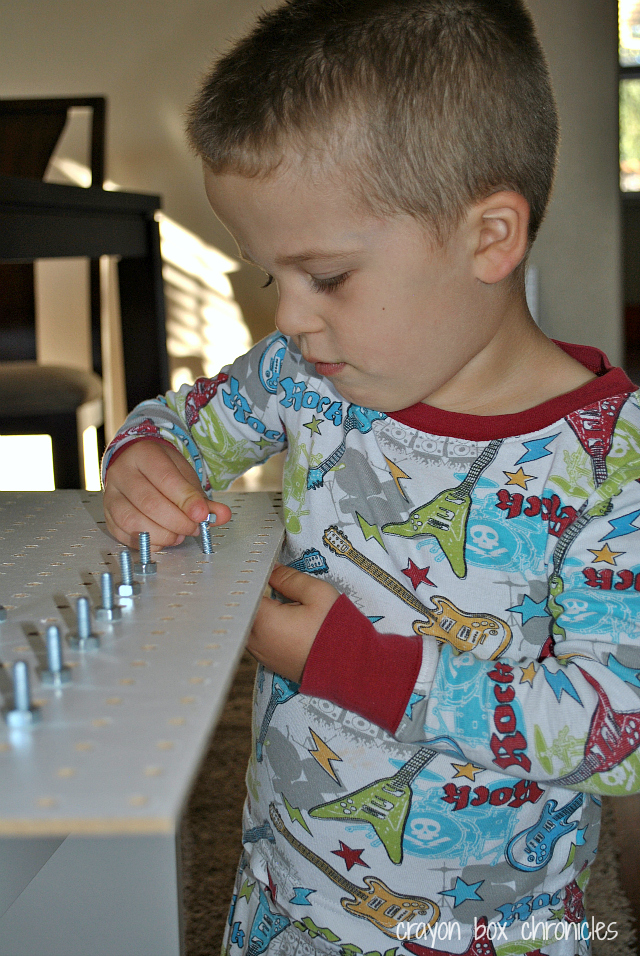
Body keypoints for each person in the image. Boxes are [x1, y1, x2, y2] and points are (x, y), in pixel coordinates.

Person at [102, 1, 640, 953]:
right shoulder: (302, 377)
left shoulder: (608, 465)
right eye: (273, 276)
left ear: (489, 237)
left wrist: (353, 667)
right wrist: (144, 456)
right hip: (285, 897)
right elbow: (178, 424)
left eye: (328, 277)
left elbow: (617, 729)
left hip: (499, 928)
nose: (293, 318)